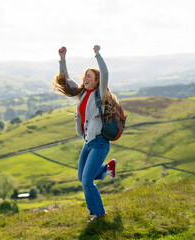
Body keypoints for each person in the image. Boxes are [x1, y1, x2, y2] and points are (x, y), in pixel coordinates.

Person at [53, 45, 118, 223]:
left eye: (90, 76)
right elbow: (65, 80)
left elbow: (105, 74)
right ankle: (107, 168)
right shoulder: (83, 94)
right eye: (85, 76)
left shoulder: (101, 94)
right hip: (88, 142)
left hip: (100, 143)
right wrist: (63, 58)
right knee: (82, 177)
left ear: (97, 81)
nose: (85, 78)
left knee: (87, 182)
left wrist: (97, 55)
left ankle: (99, 214)